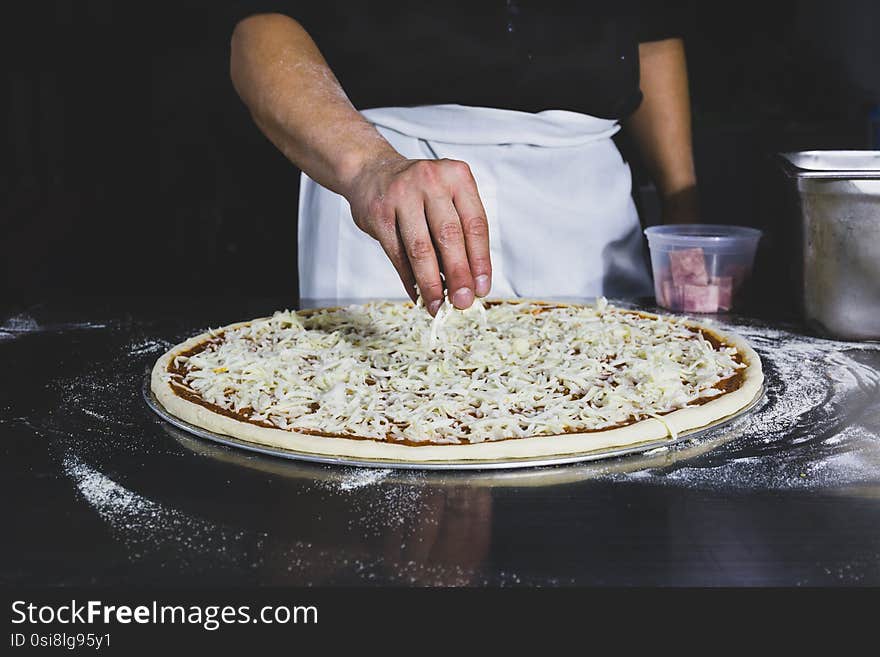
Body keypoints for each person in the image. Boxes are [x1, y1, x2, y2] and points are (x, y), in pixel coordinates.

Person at [230, 2, 698, 315]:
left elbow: (653, 32)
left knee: (615, 420)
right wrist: (371, 166)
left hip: (586, 193)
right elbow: (259, 27)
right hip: (387, 172)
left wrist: (683, 209)